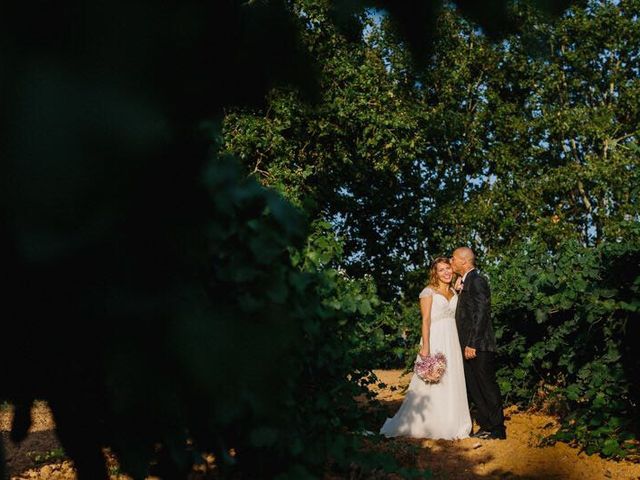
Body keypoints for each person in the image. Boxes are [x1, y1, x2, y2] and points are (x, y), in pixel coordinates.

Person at [380, 258, 472, 439]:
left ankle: (453, 421)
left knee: (452, 378)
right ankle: (430, 422)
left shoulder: (455, 291)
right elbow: (426, 320)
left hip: (452, 339)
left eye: (448, 269)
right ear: (434, 273)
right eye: (441, 270)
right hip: (436, 337)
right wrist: (426, 347)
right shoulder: (428, 292)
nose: (446, 272)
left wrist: (460, 287)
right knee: (433, 380)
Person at [450, 247, 506, 440]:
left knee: (487, 386)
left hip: (479, 346)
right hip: (468, 346)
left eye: (454, 258)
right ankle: (488, 426)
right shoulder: (466, 283)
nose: (451, 261)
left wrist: (473, 343)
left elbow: (482, 313)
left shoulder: (478, 280)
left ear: (464, 262)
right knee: (475, 388)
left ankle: (498, 429)